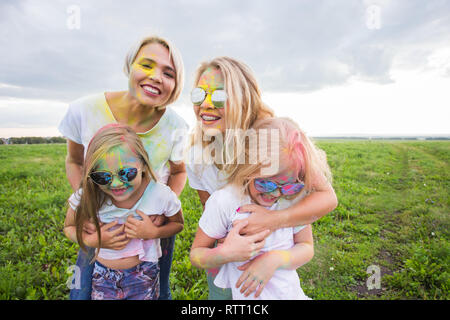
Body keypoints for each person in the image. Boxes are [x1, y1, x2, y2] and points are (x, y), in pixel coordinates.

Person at [185, 57, 338, 299]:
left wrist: (274, 220)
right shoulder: (196, 155)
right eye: (198, 95)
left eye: (219, 97)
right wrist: (225, 252)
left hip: (273, 267)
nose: (205, 104)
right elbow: (209, 210)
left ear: (243, 99)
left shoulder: (273, 139)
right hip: (226, 263)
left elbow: (327, 197)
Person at [58, 35, 188, 300]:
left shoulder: (176, 127)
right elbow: (75, 161)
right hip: (97, 222)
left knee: (157, 290)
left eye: (168, 73)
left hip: (150, 224)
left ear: (175, 84)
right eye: (147, 65)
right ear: (130, 66)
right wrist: (93, 208)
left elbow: (178, 172)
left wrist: (160, 216)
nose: (155, 76)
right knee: (81, 291)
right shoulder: (83, 110)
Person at [190, 117, 330, 299]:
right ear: (247, 167)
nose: (276, 194)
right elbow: (196, 255)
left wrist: (274, 260)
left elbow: (306, 246)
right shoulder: (225, 201)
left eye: (289, 186)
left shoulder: (294, 200)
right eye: (266, 184)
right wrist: (225, 253)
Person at [64, 124, 184, 300]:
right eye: (103, 177)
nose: (115, 184)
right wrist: (92, 240)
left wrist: (155, 232)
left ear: (143, 164)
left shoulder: (160, 194)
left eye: (126, 173)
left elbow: (178, 224)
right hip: (102, 276)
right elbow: (69, 226)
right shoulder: (89, 196)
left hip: (143, 275)